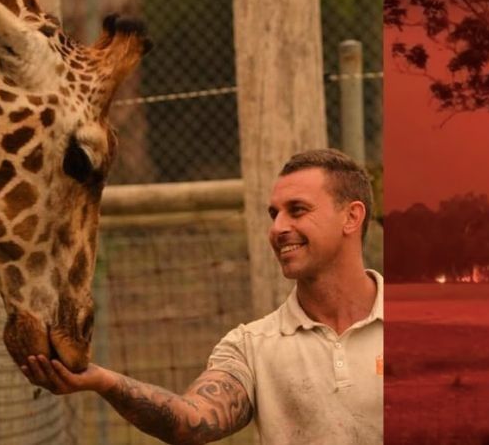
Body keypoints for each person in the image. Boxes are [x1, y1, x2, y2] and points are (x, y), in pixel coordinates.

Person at [21, 149, 384, 444]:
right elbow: (190, 420)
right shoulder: (251, 346)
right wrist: (103, 380)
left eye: (297, 210)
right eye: (273, 214)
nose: (277, 228)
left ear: (351, 217)